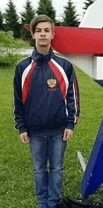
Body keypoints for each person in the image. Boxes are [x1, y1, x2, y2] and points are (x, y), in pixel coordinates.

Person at [13, 15, 80, 208]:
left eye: (46, 30)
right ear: (33, 35)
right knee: (39, 170)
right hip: (34, 131)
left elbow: (72, 96)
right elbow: (18, 100)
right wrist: (22, 127)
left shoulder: (64, 66)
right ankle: (43, 203)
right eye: (39, 31)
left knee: (57, 169)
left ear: (52, 34)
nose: (43, 34)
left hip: (59, 130)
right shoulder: (23, 67)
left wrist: (70, 123)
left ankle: (54, 201)